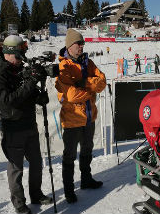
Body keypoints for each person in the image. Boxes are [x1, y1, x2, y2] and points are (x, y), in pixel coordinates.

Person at [0, 35, 53, 214]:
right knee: (16, 169)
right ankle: (19, 203)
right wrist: (31, 82)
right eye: (18, 56)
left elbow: (28, 93)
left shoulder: (19, 69)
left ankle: (36, 194)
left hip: (29, 124)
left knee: (37, 163)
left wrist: (40, 95)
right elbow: (8, 101)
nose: (20, 60)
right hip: (13, 127)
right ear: (8, 53)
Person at [55, 28, 106, 204]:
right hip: (72, 120)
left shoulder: (88, 63)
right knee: (69, 156)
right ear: (69, 45)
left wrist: (85, 82)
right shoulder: (64, 66)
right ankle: (69, 190)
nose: (82, 46)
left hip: (89, 118)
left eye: (83, 43)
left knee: (87, 151)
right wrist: (91, 90)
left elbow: (102, 82)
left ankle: (86, 180)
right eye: (79, 43)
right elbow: (70, 96)